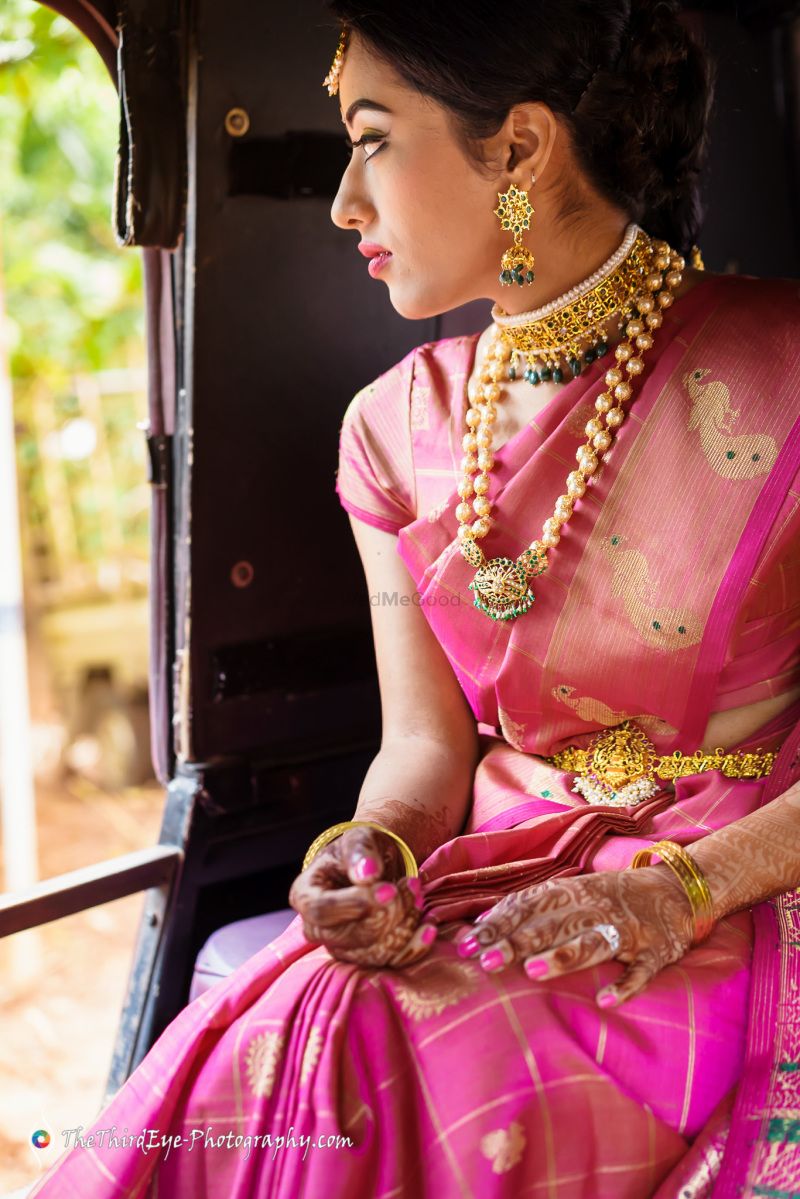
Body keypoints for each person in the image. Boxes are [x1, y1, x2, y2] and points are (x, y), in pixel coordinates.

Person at [27, 2, 800, 1196]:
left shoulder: (785, 369)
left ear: (519, 151)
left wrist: (674, 888)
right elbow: (425, 747)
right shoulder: (392, 429)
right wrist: (371, 846)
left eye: (372, 137)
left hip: (744, 882)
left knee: (406, 1053)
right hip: (512, 867)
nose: (342, 201)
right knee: (298, 1027)